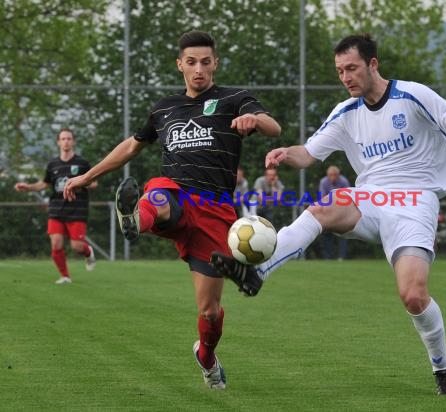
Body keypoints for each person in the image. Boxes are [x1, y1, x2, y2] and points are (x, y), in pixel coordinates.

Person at [212, 33, 446, 396]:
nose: (346, 77)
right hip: (368, 199)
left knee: (414, 296)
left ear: (373, 64)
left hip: (415, 202)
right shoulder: (345, 112)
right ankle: (258, 270)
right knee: (322, 207)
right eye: (340, 71)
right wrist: (284, 154)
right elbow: (308, 154)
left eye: (352, 68)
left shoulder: (413, 94)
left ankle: (443, 368)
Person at [63, 31, 281, 389]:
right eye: (191, 62)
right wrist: (87, 176)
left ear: (215, 63)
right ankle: (135, 219)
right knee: (158, 194)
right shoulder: (165, 108)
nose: (199, 69)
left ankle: (207, 357)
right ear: (180, 64)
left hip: (215, 211)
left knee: (209, 312)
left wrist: (254, 120)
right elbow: (131, 147)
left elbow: (274, 126)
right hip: (176, 194)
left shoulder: (233, 99)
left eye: (206, 62)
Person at [14, 128, 97, 284]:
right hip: (56, 209)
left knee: (77, 247)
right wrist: (28, 187)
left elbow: (94, 183)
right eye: (63, 139)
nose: (66, 141)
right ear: (58, 142)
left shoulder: (82, 163)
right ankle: (65, 276)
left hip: (77, 210)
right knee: (56, 244)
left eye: (69, 138)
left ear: (73, 141)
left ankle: (88, 252)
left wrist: (80, 183)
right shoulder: (52, 164)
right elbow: (44, 184)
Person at [319, 165, 350, 260]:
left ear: (338, 175)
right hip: (328, 211)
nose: (332, 177)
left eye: (334, 175)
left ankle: (342, 257)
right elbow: (322, 199)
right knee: (327, 235)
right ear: (328, 175)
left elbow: (348, 198)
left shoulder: (344, 182)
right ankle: (327, 257)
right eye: (330, 175)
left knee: (343, 235)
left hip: (342, 212)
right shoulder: (323, 182)